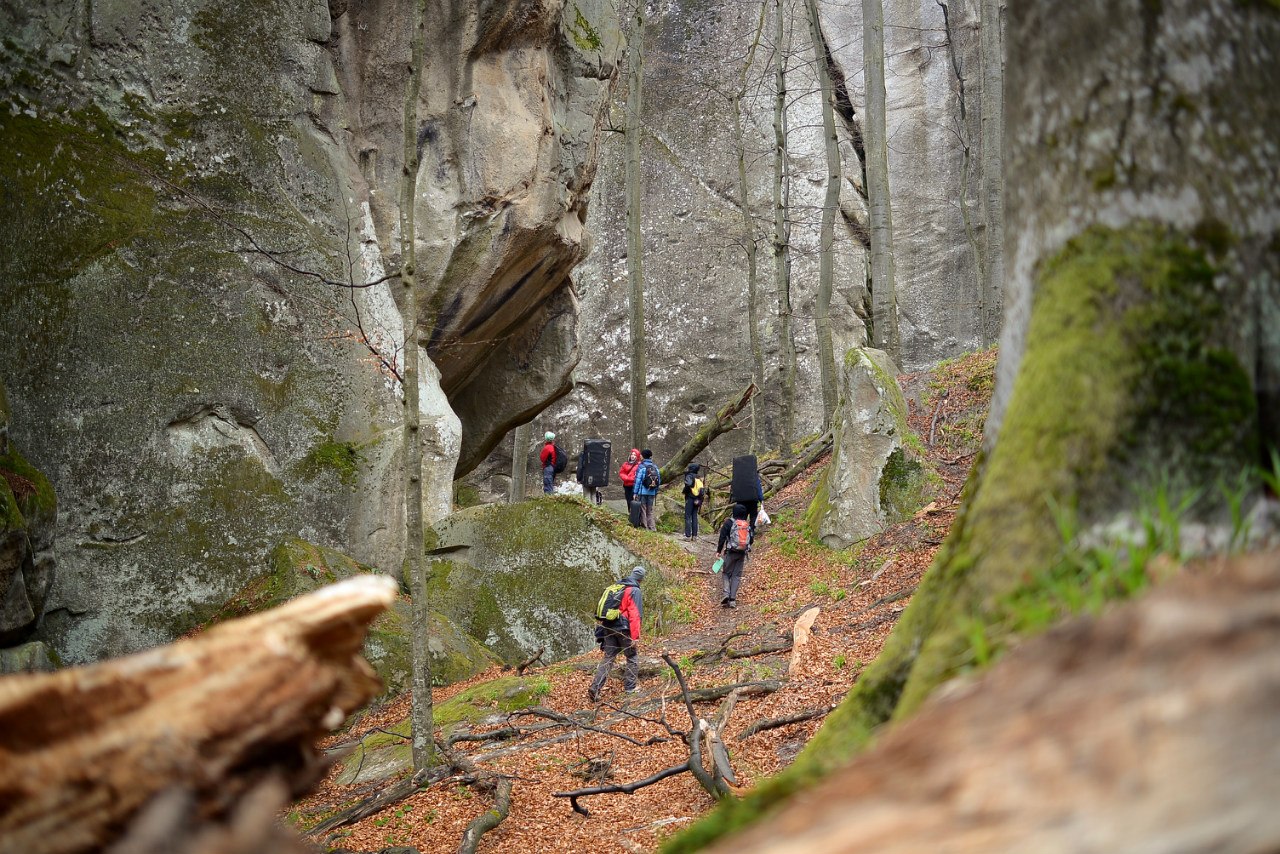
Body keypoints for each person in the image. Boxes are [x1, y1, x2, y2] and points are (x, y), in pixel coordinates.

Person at [589, 566, 647, 702]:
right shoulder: (634, 590)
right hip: (623, 628)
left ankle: (595, 687)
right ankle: (630, 689)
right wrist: (635, 637)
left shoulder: (619, 586)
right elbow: (635, 615)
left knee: (608, 657)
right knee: (632, 656)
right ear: (641, 579)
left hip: (609, 626)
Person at [715, 503, 751, 608]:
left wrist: (718, 551)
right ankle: (733, 600)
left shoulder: (728, 523)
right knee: (736, 575)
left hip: (730, 552)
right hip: (742, 553)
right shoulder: (745, 525)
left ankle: (726, 594)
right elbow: (751, 539)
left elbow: (722, 537)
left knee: (726, 573)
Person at [632, 449, 660, 531]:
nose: (640, 456)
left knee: (643, 509)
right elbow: (658, 481)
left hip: (642, 492)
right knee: (650, 510)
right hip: (652, 492)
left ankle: (645, 527)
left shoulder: (641, 467)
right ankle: (652, 527)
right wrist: (655, 491)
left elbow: (637, 481)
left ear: (643, 456)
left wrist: (635, 492)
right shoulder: (655, 467)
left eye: (641, 455)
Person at [681, 462, 706, 540]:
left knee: (687, 516)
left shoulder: (689, 476)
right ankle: (694, 536)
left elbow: (688, 485)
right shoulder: (699, 478)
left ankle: (687, 536)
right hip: (698, 499)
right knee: (694, 516)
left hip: (690, 498)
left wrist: (684, 491)